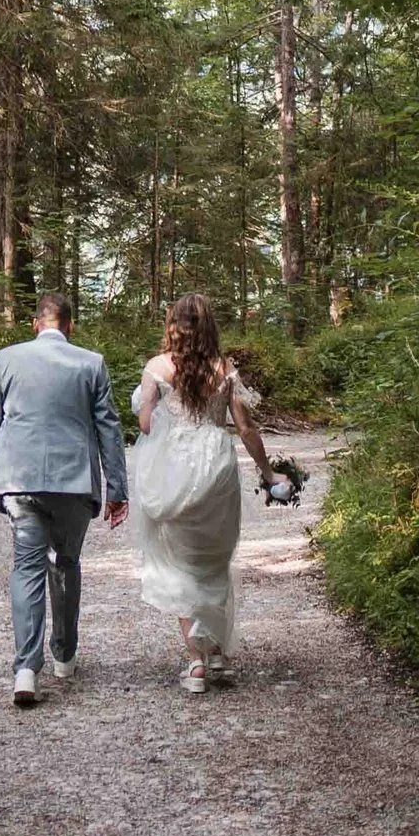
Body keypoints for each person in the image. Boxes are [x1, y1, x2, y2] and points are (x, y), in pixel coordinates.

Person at [0, 292, 130, 710]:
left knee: (27, 564)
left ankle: (26, 667)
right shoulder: (91, 363)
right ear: (70, 326)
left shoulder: (8, 358)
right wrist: (117, 489)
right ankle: (64, 654)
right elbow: (108, 428)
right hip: (74, 484)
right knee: (66, 562)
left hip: (20, 481)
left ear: (35, 324)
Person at [131, 291, 273, 692]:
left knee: (180, 563)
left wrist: (152, 405)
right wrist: (268, 472)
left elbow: (144, 426)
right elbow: (245, 429)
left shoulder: (157, 367)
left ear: (172, 324)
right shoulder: (224, 368)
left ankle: (196, 662)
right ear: (209, 326)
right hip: (216, 464)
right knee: (214, 560)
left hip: (173, 469)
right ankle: (219, 656)